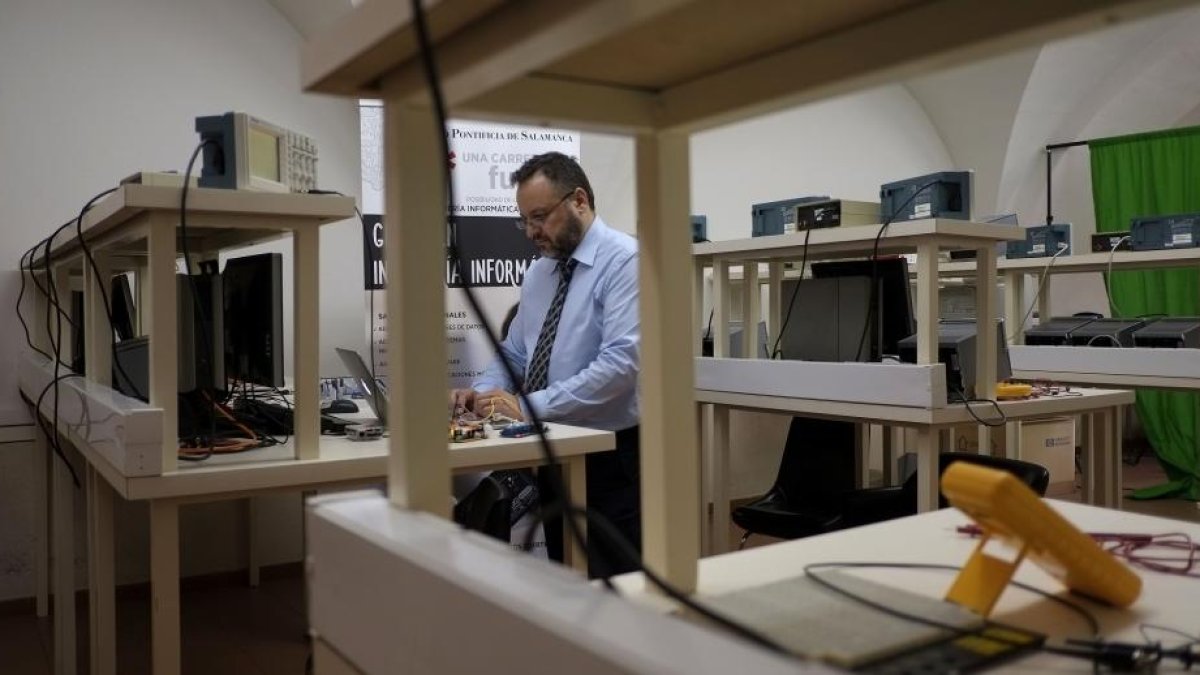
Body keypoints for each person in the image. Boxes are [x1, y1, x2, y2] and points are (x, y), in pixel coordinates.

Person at [449, 152, 640, 577]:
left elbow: (622, 365)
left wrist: (530, 406)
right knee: (566, 572)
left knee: (616, 579)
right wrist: (480, 394)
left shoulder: (626, 261)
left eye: (540, 217)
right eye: (525, 220)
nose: (532, 232)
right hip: (556, 444)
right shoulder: (539, 273)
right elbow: (517, 353)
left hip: (613, 453)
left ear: (579, 201)